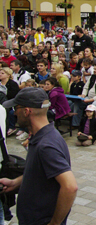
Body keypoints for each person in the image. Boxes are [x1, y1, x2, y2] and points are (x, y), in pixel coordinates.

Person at [1, 87, 78, 225]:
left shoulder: (46, 145)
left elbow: (70, 187)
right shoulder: (41, 136)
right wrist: (15, 183)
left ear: (26, 111)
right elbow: (40, 173)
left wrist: (54, 223)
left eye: (16, 108)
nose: (14, 113)